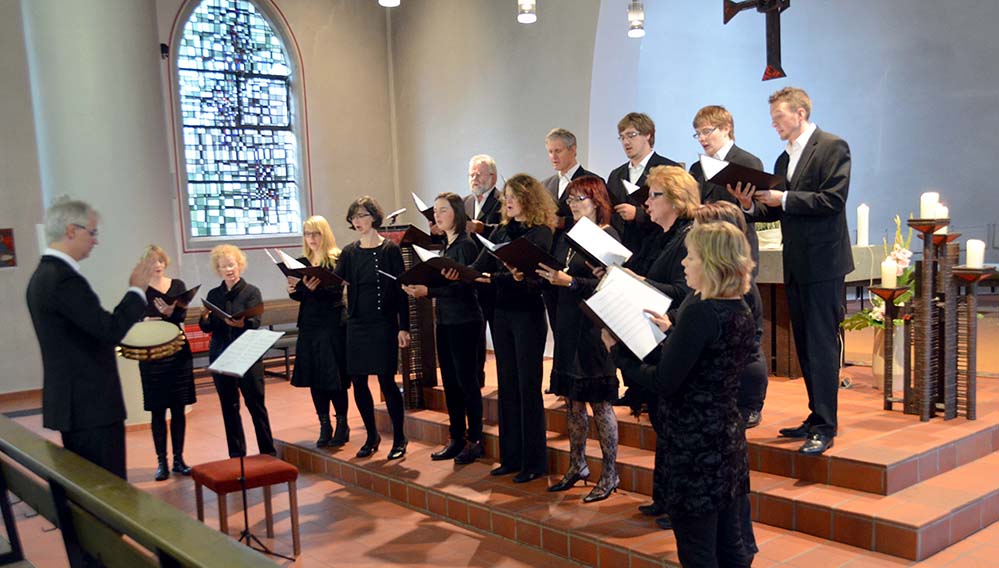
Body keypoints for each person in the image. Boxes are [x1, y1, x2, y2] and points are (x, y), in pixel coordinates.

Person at [605, 222, 756, 567]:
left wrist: (618, 352)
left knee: (697, 547)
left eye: (692, 256)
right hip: (727, 438)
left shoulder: (701, 310)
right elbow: (697, 364)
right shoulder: (739, 307)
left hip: (694, 445)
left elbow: (663, 382)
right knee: (730, 541)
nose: (685, 263)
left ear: (712, 262)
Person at [729, 87, 853, 455]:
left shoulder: (832, 146)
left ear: (800, 113)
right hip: (797, 262)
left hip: (824, 262)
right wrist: (751, 204)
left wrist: (783, 198)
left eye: (778, 117)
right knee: (804, 344)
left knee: (821, 344)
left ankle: (826, 425)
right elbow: (778, 211)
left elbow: (833, 199)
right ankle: (815, 415)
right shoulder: (784, 160)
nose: (774, 124)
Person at [26, 196, 154, 479]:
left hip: (77, 404)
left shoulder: (43, 275)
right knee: (106, 494)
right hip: (90, 406)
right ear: (71, 230)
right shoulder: (63, 279)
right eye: (92, 232)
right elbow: (109, 330)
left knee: (91, 492)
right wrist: (136, 291)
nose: (95, 241)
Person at [611, 165, 700, 528]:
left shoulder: (688, 237)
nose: (646, 202)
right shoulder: (662, 236)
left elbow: (685, 291)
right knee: (661, 421)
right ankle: (662, 498)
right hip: (653, 335)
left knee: (674, 426)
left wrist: (641, 282)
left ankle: (677, 503)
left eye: (654, 195)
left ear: (676, 200)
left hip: (672, 332)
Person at [535, 176, 620, 503]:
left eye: (580, 200)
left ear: (597, 203)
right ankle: (577, 464)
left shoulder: (607, 235)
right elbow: (558, 274)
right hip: (568, 322)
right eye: (569, 201)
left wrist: (569, 281)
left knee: (600, 402)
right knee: (572, 399)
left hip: (594, 325)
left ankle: (610, 472)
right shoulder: (567, 236)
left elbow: (607, 285)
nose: (572, 206)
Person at [691, 202, 767, 559]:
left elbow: (735, 339)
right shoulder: (725, 287)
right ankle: (737, 544)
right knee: (731, 474)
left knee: (734, 475)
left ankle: (741, 544)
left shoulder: (735, 291)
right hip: (732, 381)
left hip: (739, 384)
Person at [688, 105, 768, 426]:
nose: (702, 138)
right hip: (706, 254)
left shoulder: (747, 163)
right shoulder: (697, 167)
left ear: (726, 129)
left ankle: (751, 403)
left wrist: (745, 203)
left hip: (736, 255)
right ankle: (721, 396)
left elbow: (759, 209)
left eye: (708, 131)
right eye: (698, 133)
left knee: (747, 334)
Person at [472, 174, 555, 483]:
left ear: (528, 199)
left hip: (528, 315)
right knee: (507, 385)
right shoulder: (502, 230)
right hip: (502, 313)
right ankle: (511, 457)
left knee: (527, 387)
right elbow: (482, 267)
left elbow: (534, 278)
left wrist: (499, 277)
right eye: (506, 195)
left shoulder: (541, 233)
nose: (507, 200)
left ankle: (534, 462)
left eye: (514, 196)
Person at [402, 193, 484, 464]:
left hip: (465, 321)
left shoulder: (464, 245)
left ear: (457, 213)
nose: (437, 216)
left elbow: (465, 285)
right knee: (450, 381)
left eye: (443, 210)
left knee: (467, 382)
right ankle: (456, 437)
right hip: (446, 321)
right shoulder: (447, 245)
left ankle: (475, 439)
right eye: (435, 211)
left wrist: (429, 291)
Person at [335, 196, 411, 460]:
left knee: (387, 381)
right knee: (358, 381)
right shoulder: (349, 252)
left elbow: (402, 291)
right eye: (354, 217)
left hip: (383, 324)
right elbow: (336, 282)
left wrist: (404, 327)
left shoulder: (389, 250)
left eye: (363, 215)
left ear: (374, 217)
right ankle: (371, 435)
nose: (358, 221)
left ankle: (400, 437)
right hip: (356, 324)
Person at [200, 244, 276, 457]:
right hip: (222, 354)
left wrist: (241, 324)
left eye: (231, 265)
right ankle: (236, 454)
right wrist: (205, 317)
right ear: (218, 269)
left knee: (256, 405)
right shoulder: (214, 294)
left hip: (247, 354)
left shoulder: (252, 291)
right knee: (229, 407)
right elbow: (207, 327)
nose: (228, 269)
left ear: (239, 265)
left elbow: (255, 320)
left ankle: (268, 452)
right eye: (223, 266)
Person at [287, 216, 350, 448]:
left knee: (334, 377)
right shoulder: (300, 262)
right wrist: (294, 289)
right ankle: (324, 424)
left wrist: (313, 290)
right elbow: (299, 295)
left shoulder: (336, 259)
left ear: (325, 234)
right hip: (309, 325)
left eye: (316, 234)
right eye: (307, 234)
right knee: (315, 377)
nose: (311, 238)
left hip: (332, 324)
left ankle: (342, 424)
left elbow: (335, 293)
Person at [139, 245, 197, 481]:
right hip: (153, 354)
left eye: (161, 260)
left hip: (177, 351)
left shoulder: (178, 286)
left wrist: (171, 311)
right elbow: (136, 318)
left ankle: (178, 459)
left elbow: (181, 316)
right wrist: (149, 318)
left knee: (178, 408)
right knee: (157, 410)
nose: (158, 265)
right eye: (153, 261)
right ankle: (161, 462)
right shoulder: (141, 290)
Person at [540, 128, 601, 332]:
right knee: (558, 327)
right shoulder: (546, 184)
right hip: (552, 260)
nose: (553, 156)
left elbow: (600, 218)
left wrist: (562, 222)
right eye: (549, 151)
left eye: (558, 151)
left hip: (580, 263)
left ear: (573, 150)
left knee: (579, 331)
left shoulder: (592, 181)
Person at [605, 112, 681, 254]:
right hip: (622, 251)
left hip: (657, 249)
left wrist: (638, 214)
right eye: (622, 137)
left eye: (631, 135)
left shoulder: (669, 169)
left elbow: (678, 211)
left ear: (648, 135)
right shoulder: (616, 175)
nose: (625, 142)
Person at [464, 154, 503, 388]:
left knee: (497, 333)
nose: (475, 179)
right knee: (475, 334)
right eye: (471, 175)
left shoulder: (501, 201)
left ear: (493, 176)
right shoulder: (465, 202)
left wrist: (483, 228)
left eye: (479, 174)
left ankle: (504, 382)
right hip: (471, 275)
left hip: (492, 274)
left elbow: (506, 230)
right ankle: (476, 379)